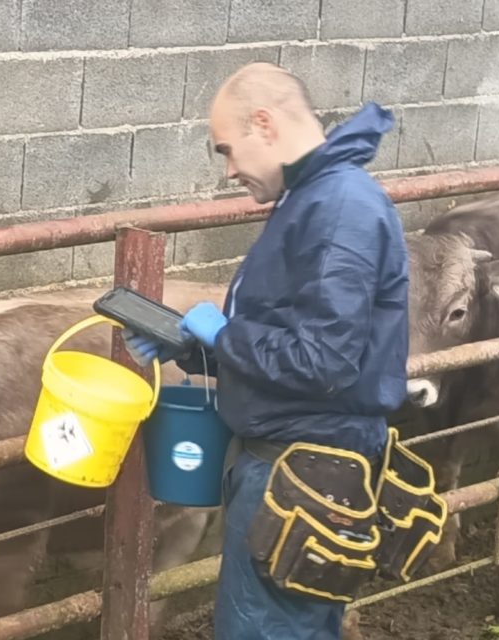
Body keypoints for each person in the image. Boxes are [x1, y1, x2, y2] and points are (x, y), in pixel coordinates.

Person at [124, 62, 409, 639]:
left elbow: (324, 361)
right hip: (296, 461)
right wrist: (191, 349)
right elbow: (295, 337)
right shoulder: (314, 198)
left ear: (264, 123)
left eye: (228, 150)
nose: (229, 170)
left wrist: (224, 336)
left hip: (301, 471)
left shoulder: (339, 208)